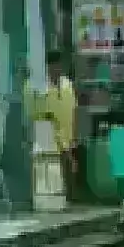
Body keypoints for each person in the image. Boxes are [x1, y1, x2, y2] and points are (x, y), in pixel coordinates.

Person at [42, 53, 81, 200]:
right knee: (54, 167)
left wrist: (75, 134)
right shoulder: (41, 86)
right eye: (54, 66)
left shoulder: (67, 84)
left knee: (70, 165)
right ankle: (57, 196)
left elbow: (74, 109)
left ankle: (70, 196)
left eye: (59, 65)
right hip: (50, 135)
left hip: (68, 133)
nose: (58, 69)